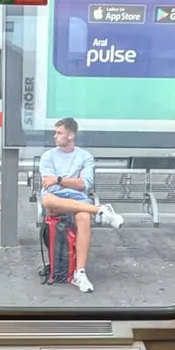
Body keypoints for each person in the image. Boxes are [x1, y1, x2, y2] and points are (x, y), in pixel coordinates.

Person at [39, 117, 123, 293]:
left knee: (83, 218)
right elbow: (50, 185)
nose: (55, 136)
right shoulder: (48, 156)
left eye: (59, 133)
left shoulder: (85, 157)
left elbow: (85, 183)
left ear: (70, 136)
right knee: (46, 200)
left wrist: (60, 179)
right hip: (56, 199)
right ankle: (99, 210)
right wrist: (70, 182)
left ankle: (80, 273)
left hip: (77, 200)